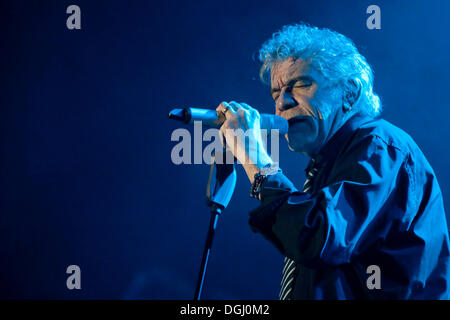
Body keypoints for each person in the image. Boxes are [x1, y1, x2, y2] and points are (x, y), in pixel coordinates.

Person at [215, 24, 450, 299]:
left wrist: (254, 156)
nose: (283, 103)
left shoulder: (380, 147)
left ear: (350, 92)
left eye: (301, 84)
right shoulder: (326, 168)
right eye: (275, 94)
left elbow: (317, 236)